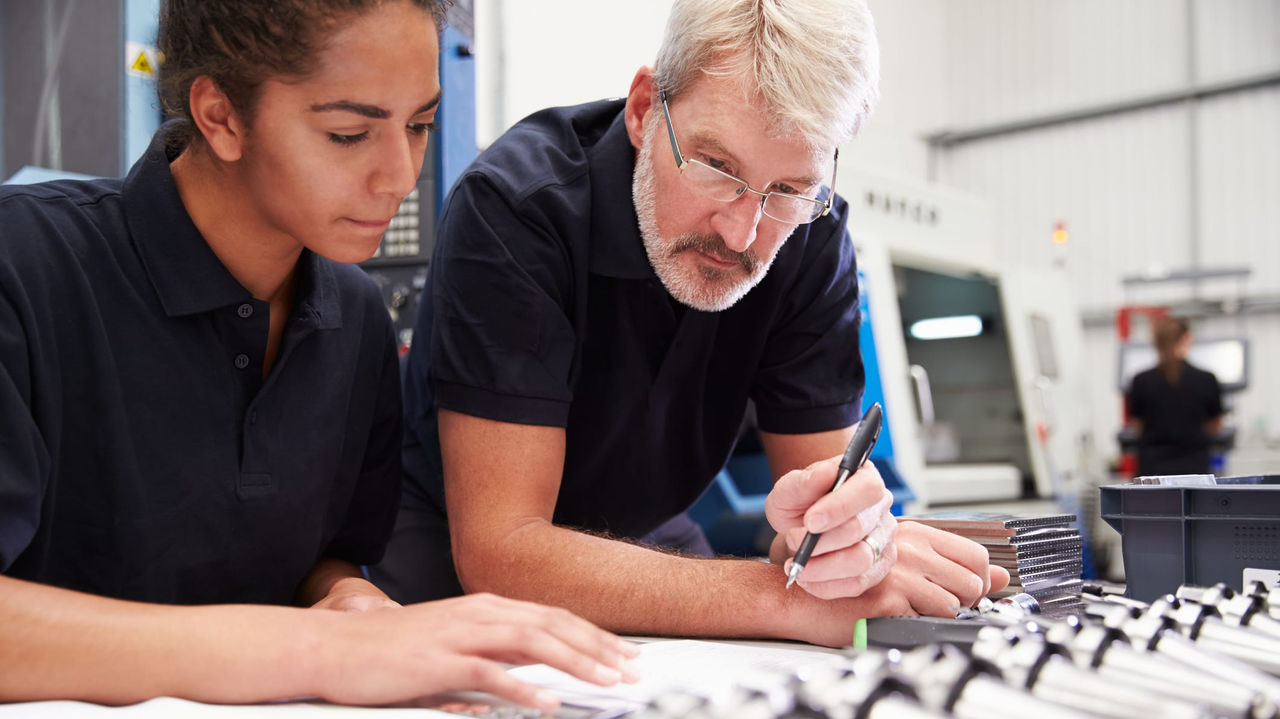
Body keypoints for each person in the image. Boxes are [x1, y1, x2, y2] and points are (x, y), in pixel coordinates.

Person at [0, 0, 636, 710]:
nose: (399, 174)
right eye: (348, 133)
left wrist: (349, 598)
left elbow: (320, 558)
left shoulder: (354, 315)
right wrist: (318, 651)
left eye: (420, 125)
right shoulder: (24, 268)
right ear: (220, 116)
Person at [373, 0, 1009, 648]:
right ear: (645, 109)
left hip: (646, 532)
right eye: (717, 167)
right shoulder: (517, 211)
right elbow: (503, 552)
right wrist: (779, 599)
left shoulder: (810, 237)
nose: (743, 232)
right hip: (454, 543)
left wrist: (854, 542)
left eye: (789, 188)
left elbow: (823, 524)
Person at [1127, 316, 1225, 476]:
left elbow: (1137, 427)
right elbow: (1215, 426)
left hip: (1152, 472)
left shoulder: (1141, 381)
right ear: (1187, 338)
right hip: (1194, 471)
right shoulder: (1206, 379)